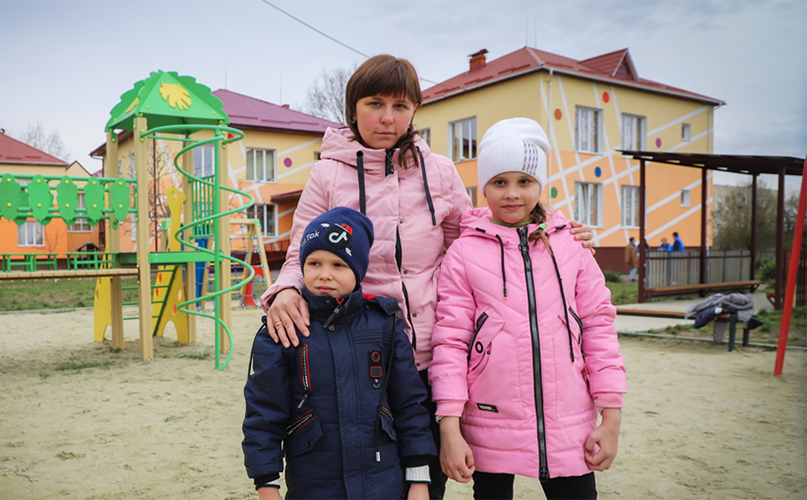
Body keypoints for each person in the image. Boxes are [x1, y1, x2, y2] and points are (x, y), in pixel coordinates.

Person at [259, 54, 596, 499]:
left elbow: (478, 234)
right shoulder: (326, 174)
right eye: (375, 103)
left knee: (425, 480)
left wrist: (549, 229)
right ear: (352, 108)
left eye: (400, 106)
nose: (387, 117)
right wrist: (284, 289)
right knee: (369, 478)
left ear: (415, 110)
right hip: (361, 354)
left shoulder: (438, 171)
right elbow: (301, 249)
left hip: (431, 355)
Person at [430, 118, 626, 500]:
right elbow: (450, 343)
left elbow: (599, 329)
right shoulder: (463, 254)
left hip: (569, 423)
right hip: (489, 422)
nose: (512, 194)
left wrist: (612, 416)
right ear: (483, 186)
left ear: (540, 184)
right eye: (499, 182)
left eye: (524, 181)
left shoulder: (571, 247)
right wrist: (449, 428)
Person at [243, 207, 437, 500]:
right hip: (314, 483)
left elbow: (409, 403)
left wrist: (419, 477)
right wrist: (266, 483)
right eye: (314, 263)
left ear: (358, 270)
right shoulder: (284, 329)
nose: (324, 275)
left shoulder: (385, 325)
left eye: (338, 265)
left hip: (383, 482)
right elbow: (263, 412)